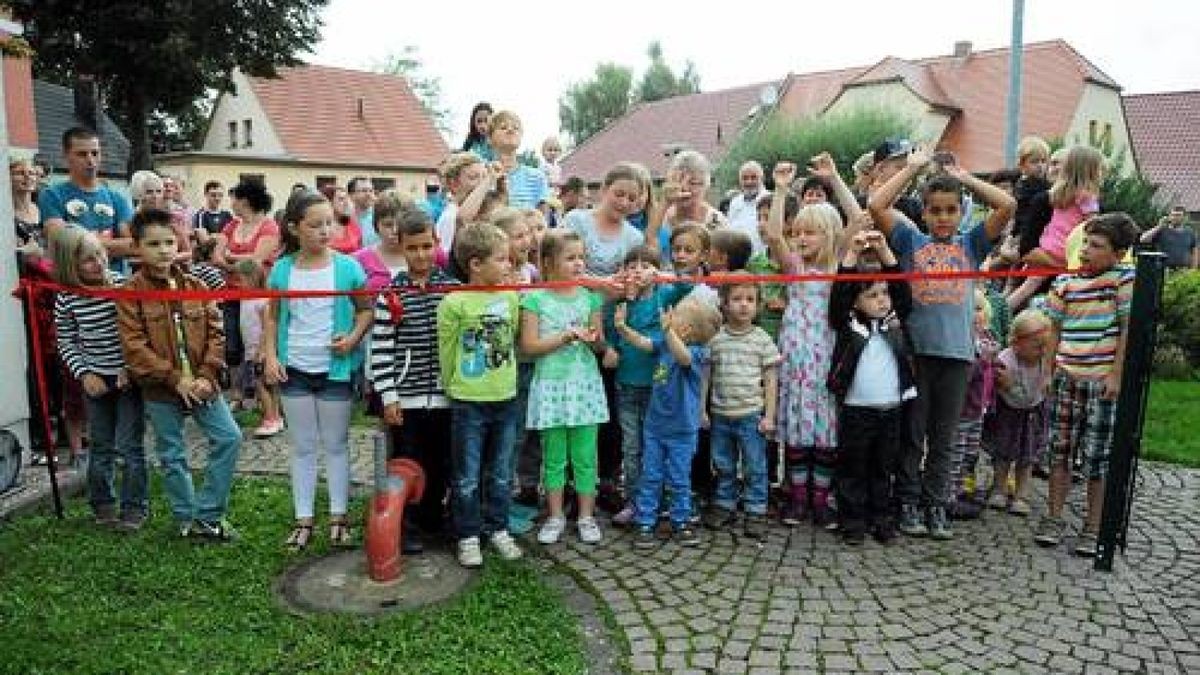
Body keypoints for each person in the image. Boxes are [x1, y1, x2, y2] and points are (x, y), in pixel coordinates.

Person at [868, 144, 1015, 540]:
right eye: (935, 210)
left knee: (945, 437)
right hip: (918, 355)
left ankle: (937, 504)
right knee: (914, 435)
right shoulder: (910, 242)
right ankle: (909, 502)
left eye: (950, 210)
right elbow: (877, 204)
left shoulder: (971, 245)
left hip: (957, 357)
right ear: (925, 211)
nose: (943, 217)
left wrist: (966, 179)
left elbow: (1006, 205)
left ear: (960, 211)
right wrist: (912, 169)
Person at [116, 208, 242, 541]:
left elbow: (217, 332)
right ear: (138, 248)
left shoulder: (196, 284)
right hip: (162, 388)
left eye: (169, 242)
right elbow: (135, 347)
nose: (163, 250)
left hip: (203, 383)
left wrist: (206, 374)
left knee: (229, 437)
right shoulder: (131, 293)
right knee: (172, 454)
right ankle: (186, 520)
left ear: (179, 244)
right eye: (154, 243)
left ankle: (209, 515)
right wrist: (176, 379)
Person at [262, 191, 372, 552]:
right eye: (315, 225)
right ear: (294, 228)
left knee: (337, 446)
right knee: (304, 446)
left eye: (329, 223)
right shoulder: (282, 270)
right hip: (295, 367)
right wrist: (270, 356)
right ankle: (304, 518)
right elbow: (273, 315)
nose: (325, 230)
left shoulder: (348, 267)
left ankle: (339, 518)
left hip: (335, 369)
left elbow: (365, 311)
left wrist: (353, 338)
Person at [767, 161, 867, 526]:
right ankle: (796, 498)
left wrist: (835, 179)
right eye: (799, 233)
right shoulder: (793, 265)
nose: (801, 239)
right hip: (795, 356)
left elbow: (859, 220)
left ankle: (821, 499)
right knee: (795, 429)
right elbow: (774, 236)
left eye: (810, 233)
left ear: (829, 235)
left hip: (826, 356)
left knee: (824, 432)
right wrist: (780, 191)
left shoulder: (839, 263)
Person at [1034, 213, 1139, 557]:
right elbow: (1053, 331)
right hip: (1067, 376)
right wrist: (1048, 371)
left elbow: (1126, 330)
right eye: (1086, 244)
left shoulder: (1123, 280)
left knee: (1097, 457)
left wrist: (1116, 374)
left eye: (1097, 246)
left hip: (1100, 381)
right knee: (1059, 451)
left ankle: (1093, 527)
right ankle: (1053, 517)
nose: (1086, 252)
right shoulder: (1065, 281)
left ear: (1119, 252)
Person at [370, 202, 460, 552]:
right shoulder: (391, 293)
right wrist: (389, 396)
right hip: (405, 399)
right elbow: (381, 348)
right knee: (407, 464)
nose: (421, 255)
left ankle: (436, 521)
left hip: (445, 396)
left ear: (437, 242)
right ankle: (406, 526)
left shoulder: (453, 289)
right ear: (401, 247)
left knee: (442, 462)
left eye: (427, 246)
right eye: (413, 247)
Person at [437, 222, 525, 568]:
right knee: (467, 474)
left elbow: (513, 335)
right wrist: (454, 385)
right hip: (468, 401)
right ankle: (468, 534)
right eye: (502, 259)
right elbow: (446, 350)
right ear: (475, 263)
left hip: (505, 396)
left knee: (502, 471)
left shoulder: (509, 297)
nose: (509, 266)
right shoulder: (453, 302)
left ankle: (498, 527)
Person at [52, 225, 147, 529]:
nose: (100, 262)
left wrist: (129, 367)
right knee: (101, 444)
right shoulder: (67, 298)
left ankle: (134, 508)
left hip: (126, 378)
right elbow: (66, 340)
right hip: (94, 380)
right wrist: (84, 374)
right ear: (70, 265)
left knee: (130, 445)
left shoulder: (122, 287)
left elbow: (137, 332)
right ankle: (103, 504)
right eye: (89, 260)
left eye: (102, 254)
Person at [520, 230, 609, 545]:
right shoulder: (534, 299)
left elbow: (598, 343)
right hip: (551, 389)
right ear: (548, 262)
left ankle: (586, 516)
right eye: (570, 258)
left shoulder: (590, 297)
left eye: (581, 257)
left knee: (585, 457)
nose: (578, 264)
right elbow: (529, 346)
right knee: (554, 458)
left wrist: (598, 342)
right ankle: (556, 515)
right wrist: (566, 337)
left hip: (584, 388)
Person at [827, 230, 915, 545]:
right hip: (856, 411)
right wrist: (850, 254)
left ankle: (882, 519)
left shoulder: (896, 320)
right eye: (872, 295)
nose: (882, 300)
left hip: (891, 410)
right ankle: (852, 521)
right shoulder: (847, 324)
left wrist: (886, 252)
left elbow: (902, 291)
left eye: (884, 293)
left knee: (883, 468)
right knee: (853, 468)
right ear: (856, 301)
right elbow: (839, 295)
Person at [616, 297, 722, 548]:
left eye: (677, 316)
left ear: (689, 330)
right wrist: (623, 328)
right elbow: (644, 343)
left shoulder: (696, 353)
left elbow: (683, 358)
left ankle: (680, 520)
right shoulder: (665, 343)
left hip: (682, 431)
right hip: (655, 427)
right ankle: (645, 521)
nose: (671, 317)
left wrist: (667, 332)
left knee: (678, 477)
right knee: (650, 475)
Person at [604, 245, 692, 525]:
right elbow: (608, 329)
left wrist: (664, 276)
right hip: (627, 385)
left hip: (658, 385)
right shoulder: (620, 301)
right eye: (632, 265)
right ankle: (635, 501)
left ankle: (661, 500)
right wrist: (611, 345)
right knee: (632, 448)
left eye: (645, 265)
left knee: (656, 447)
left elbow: (688, 284)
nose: (638, 270)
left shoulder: (663, 294)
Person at [702, 279, 781, 541]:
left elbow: (770, 379)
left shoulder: (762, 340)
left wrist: (769, 416)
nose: (743, 305)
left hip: (751, 415)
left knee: (755, 465)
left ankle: (755, 508)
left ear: (758, 306)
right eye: (737, 299)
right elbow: (706, 376)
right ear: (724, 304)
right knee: (723, 463)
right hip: (721, 414)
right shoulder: (716, 340)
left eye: (750, 300)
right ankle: (725, 503)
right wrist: (703, 410)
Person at [1007, 145, 1105, 310]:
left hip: (1046, 248)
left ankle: (999, 315)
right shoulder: (1087, 197)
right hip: (1065, 251)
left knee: (1025, 289)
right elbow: (1093, 226)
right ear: (1092, 171)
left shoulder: (1057, 193)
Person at [213, 179, 279, 407]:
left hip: (258, 295)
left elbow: (258, 260)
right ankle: (237, 394)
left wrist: (232, 258)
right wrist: (238, 262)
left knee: (258, 345)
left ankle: (262, 394)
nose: (231, 203)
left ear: (245, 200)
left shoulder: (269, 227)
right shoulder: (230, 227)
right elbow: (217, 256)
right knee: (232, 345)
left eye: (234, 199)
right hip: (231, 292)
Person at [984, 308, 1053, 517]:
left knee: (1027, 456)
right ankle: (998, 488)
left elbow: (1038, 394)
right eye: (1037, 346)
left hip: (1033, 412)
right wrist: (1008, 385)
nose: (1042, 351)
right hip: (1008, 412)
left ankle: (1022, 495)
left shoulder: (1046, 361)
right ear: (1016, 343)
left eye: (1045, 346)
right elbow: (1007, 392)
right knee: (1003, 452)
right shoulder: (1005, 361)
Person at [39, 127, 135, 268]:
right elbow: (63, 244)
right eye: (82, 154)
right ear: (66, 156)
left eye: (95, 153)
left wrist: (82, 242)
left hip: (113, 283)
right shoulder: (52, 195)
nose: (91, 160)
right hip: (72, 284)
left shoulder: (117, 198)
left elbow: (133, 245)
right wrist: (113, 246)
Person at [947, 288, 999, 520]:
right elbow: (964, 375)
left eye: (979, 309)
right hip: (962, 410)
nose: (976, 315)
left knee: (970, 453)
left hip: (979, 409)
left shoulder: (987, 338)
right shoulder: (962, 340)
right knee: (955, 455)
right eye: (970, 310)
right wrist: (982, 360)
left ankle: (959, 491)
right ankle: (946, 497)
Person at [231, 259, 283, 439]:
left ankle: (270, 418)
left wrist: (262, 351)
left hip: (260, 351)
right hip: (251, 350)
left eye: (240, 280)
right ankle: (276, 417)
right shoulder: (247, 299)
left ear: (252, 278)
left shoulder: (262, 301)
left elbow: (266, 328)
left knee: (261, 385)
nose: (237, 284)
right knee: (269, 385)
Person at [564, 162, 645, 276]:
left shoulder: (635, 238)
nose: (624, 203)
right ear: (604, 189)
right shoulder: (575, 220)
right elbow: (560, 267)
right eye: (619, 194)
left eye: (632, 199)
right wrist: (601, 284)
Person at [746, 192, 798, 342]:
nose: (761, 224)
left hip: (791, 341)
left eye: (768, 218)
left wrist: (786, 307)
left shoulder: (802, 263)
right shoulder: (755, 263)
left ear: (789, 223)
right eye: (759, 218)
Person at [436, 152, 497, 259]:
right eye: (473, 177)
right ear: (454, 184)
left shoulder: (479, 214)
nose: (482, 184)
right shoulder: (450, 217)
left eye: (484, 177)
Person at [488, 111, 549, 210]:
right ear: (489, 138)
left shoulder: (537, 177)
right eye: (503, 127)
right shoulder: (481, 174)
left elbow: (542, 222)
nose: (510, 130)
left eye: (516, 128)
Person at [355, 192, 411, 290]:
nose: (395, 230)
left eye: (401, 223)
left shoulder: (429, 253)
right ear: (376, 226)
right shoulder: (358, 259)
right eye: (388, 225)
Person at [726, 161, 769, 254]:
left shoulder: (770, 200)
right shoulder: (735, 202)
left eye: (753, 177)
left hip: (764, 261)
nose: (749, 182)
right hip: (737, 260)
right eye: (745, 178)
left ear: (762, 178)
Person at [1140, 205, 1197, 270]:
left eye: (1178, 215)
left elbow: (1195, 251)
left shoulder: (1190, 232)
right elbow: (1143, 239)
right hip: (1164, 269)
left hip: (1183, 271)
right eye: (1173, 215)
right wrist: (1159, 226)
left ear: (1184, 217)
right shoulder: (1162, 230)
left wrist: (1193, 270)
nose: (1175, 217)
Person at [192, 180, 235, 246]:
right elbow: (204, 240)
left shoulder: (227, 214)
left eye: (220, 195)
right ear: (205, 195)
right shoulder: (200, 215)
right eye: (213, 195)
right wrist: (223, 237)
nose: (217, 198)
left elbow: (234, 237)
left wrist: (213, 236)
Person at [346, 177, 378, 247]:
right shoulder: (345, 218)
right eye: (364, 191)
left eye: (371, 191)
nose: (369, 194)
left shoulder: (379, 217)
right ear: (351, 195)